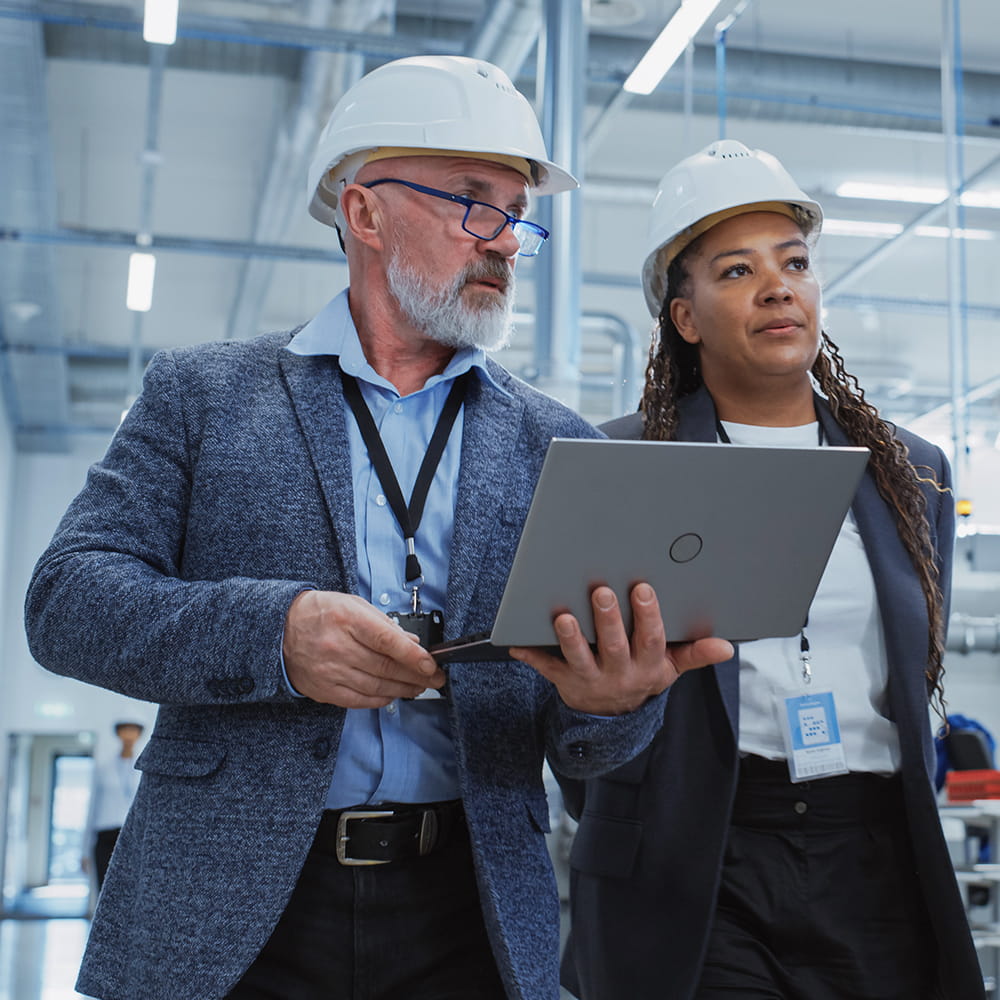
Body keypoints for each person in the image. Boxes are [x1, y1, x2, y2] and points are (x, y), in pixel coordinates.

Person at [23, 56, 731, 1000]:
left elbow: (575, 746)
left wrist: (618, 700)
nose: (506, 240)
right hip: (227, 914)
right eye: (475, 203)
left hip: (472, 914)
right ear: (364, 213)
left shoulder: (555, 440)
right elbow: (67, 599)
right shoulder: (204, 394)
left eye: (517, 212)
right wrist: (276, 636)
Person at [559, 139, 985, 1000]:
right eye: (736, 271)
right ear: (686, 317)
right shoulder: (619, 462)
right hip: (697, 850)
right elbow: (571, 682)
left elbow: (910, 676)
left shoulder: (911, 471)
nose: (778, 286)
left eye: (794, 262)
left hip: (871, 849)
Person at [84, 720, 145, 891]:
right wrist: (84, 850)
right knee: (104, 889)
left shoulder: (144, 769)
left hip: (132, 835)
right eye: (125, 730)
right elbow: (92, 808)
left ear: (139, 734)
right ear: (118, 733)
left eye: (133, 730)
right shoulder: (104, 767)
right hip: (105, 835)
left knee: (129, 890)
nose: (129, 735)